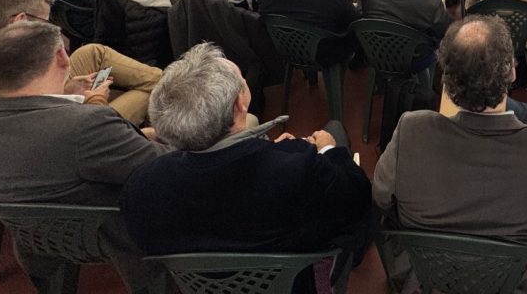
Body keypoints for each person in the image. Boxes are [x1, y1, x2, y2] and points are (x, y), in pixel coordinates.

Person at [120, 44, 371, 285]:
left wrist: (272, 153)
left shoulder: (142, 187)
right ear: (239, 105)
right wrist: (327, 150)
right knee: (335, 130)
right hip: (295, 283)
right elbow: (357, 198)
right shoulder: (299, 168)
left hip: (204, 285)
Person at [373, 16, 527, 294]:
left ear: (446, 83)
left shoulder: (411, 130)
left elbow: (381, 196)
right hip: (510, 281)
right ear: (511, 73)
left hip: (427, 275)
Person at [0, 20, 168, 291]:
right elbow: (165, 169)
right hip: (118, 236)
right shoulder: (88, 125)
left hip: (36, 244)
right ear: (62, 57)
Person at [0, 0, 162, 123]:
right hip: (66, 127)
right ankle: (165, 89)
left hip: (48, 106)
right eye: (45, 22)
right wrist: (92, 99)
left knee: (92, 52)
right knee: (148, 92)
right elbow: (39, 122)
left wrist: (66, 90)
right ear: (20, 21)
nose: (52, 28)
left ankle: (164, 85)